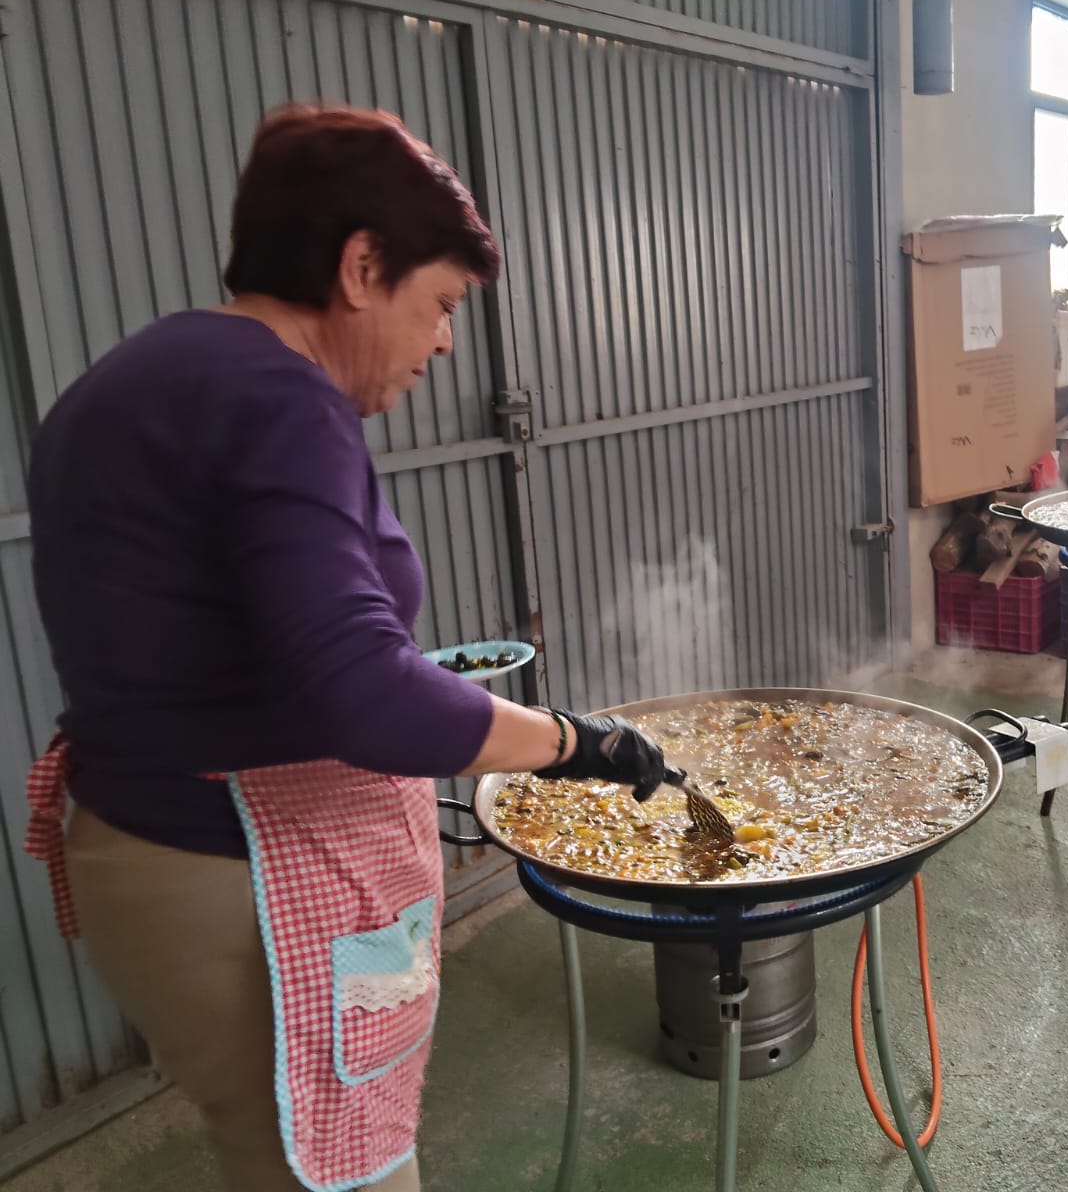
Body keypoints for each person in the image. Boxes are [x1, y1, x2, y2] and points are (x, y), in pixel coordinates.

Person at [23, 103, 666, 1192]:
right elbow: (365, 695)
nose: (446, 342)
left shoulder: (135, 376)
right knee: (343, 1177)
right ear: (363, 267)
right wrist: (575, 742)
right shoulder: (280, 396)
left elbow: (248, 643)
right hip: (246, 875)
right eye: (442, 304)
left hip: (149, 853)